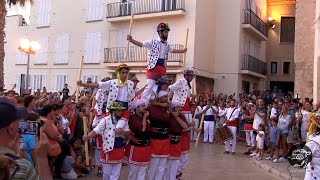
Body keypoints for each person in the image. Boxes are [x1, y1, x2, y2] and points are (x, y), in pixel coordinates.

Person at [127, 22, 187, 105]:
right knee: (149, 86)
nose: (167, 34)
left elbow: (173, 50)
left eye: (167, 32)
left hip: (162, 68)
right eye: (165, 32)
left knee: (164, 86)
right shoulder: (152, 42)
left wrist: (183, 51)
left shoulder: (167, 45)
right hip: (153, 67)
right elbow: (141, 44)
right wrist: (131, 40)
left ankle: (160, 101)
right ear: (160, 32)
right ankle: (143, 104)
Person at [0, 97, 52, 179]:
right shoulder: (21, 167)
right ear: (11, 128)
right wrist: (42, 158)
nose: (22, 124)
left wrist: (11, 152)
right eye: (20, 121)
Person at [83, 102, 130, 180]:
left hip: (119, 149)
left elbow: (128, 134)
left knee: (116, 174)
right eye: (119, 111)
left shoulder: (124, 121)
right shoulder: (105, 120)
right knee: (107, 174)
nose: (121, 112)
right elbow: (96, 130)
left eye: (122, 111)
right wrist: (88, 137)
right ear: (113, 111)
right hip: (108, 150)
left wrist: (123, 132)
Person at [146, 91, 170, 180]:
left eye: (167, 97)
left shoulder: (168, 109)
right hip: (155, 139)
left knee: (162, 166)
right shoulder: (150, 108)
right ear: (159, 98)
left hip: (165, 140)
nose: (166, 99)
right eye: (164, 97)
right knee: (154, 165)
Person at [125, 99, 151, 180]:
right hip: (136, 148)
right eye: (142, 106)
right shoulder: (133, 118)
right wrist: (145, 118)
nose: (144, 108)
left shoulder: (145, 117)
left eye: (144, 105)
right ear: (136, 108)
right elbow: (141, 129)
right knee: (133, 172)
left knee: (142, 171)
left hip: (145, 147)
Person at [164, 101, 189, 180]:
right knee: (167, 165)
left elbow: (185, 126)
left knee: (175, 163)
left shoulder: (181, 116)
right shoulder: (168, 116)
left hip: (177, 142)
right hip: (168, 142)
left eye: (180, 107)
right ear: (173, 108)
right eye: (178, 107)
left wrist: (177, 117)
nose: (180, 109)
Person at [169, 69, 195, 140]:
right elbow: (170, 88)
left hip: (187, 107)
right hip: (181, 107)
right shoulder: (180, 82)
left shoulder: (188, 85)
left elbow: (187, 95)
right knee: (183, 128)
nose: (192, 78)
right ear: (186, 76)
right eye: (191, 76)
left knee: (188, 128)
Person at [304, 112, 320, 179]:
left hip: (313, 175)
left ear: (313, 126)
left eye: (307, 122)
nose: (305, 123)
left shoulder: (314, 142)